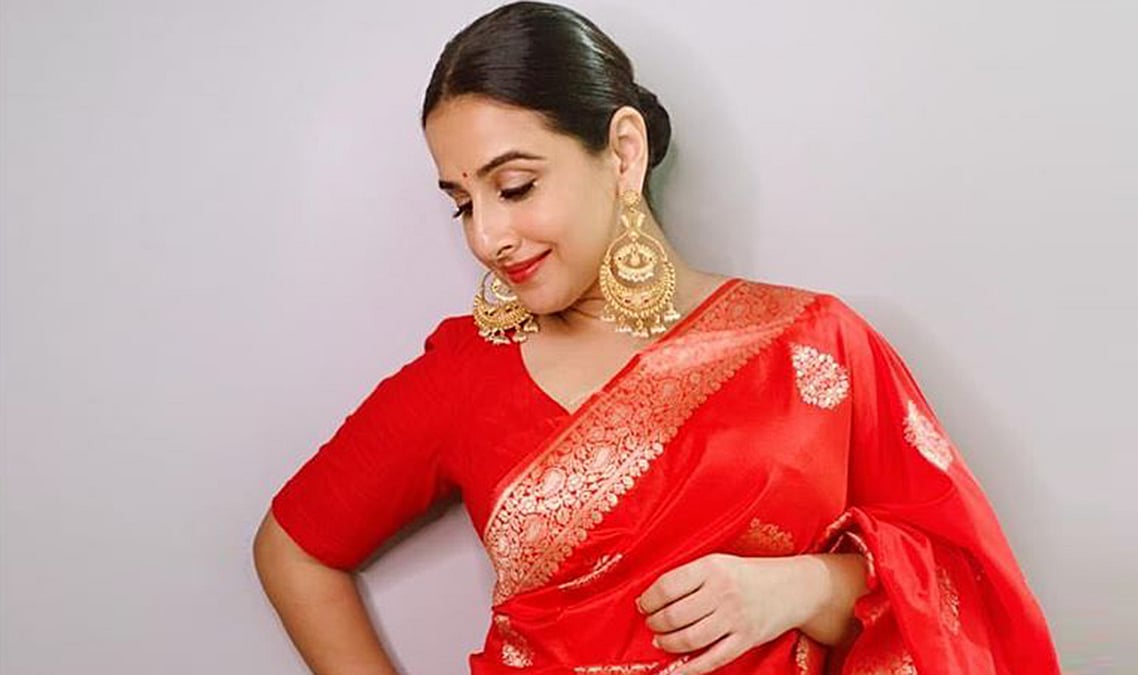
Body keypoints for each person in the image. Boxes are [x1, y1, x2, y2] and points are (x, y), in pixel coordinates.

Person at [253, 2, 1062, 673]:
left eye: (515, 186)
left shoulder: (813, 342)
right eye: (463, 203)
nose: (487, 236)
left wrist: (806, 588)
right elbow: (293, 549)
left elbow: (965, 586)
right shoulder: (465, 370)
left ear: (623, 152)